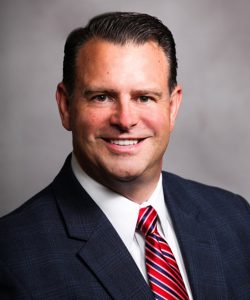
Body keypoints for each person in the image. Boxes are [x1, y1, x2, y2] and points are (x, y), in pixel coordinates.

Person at [0, 12, 249, 300]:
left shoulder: (235, 218)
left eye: (144, 97)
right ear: (66, 106)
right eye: (102, 97)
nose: (125, 120)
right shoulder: (12, 256)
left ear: (172, 107)